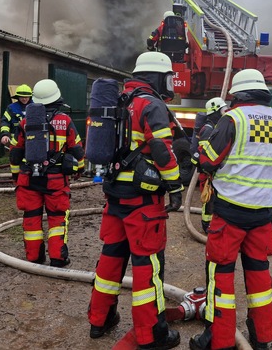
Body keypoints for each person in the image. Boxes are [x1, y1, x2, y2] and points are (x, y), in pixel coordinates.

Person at [87, 52, 184, 348]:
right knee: (147, 268)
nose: (169, 82)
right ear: (155, 77)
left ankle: (99, 320)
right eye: (167, 76)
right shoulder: (151, 104)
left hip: (115, 196)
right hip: (143, 203)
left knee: (110, 259)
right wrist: (176, 186)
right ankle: (152, 335)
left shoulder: (120, 100)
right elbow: (162, 150)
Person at [190, 69, 272, 350]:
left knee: (220, 277)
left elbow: (208, 162)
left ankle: (217, 340)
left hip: (230, 214)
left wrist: (197, 151)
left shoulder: (233, 119)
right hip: (262, 216)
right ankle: (263, 337)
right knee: (259, 277)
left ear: (237, 94)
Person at [8, 79, 84, 267]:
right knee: (57, 218)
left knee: (31, 219)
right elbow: (76, 148)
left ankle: (34, 257)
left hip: (28, 179)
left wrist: (16, 176)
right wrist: (79, 168)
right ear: (57, 98)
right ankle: (58, 258)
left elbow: (15, 152)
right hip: (55, 179)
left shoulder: (26, 122)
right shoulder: (65, 120)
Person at [191, 97, 228, 232]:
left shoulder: (216, 127)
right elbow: (205, 154)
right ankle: (207, 225)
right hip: (207, 173)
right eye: (222, 110)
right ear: (215, 112)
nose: (225, 112)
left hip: (212, 172)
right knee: (209, 200)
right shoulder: (208, 129)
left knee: (214, 199)